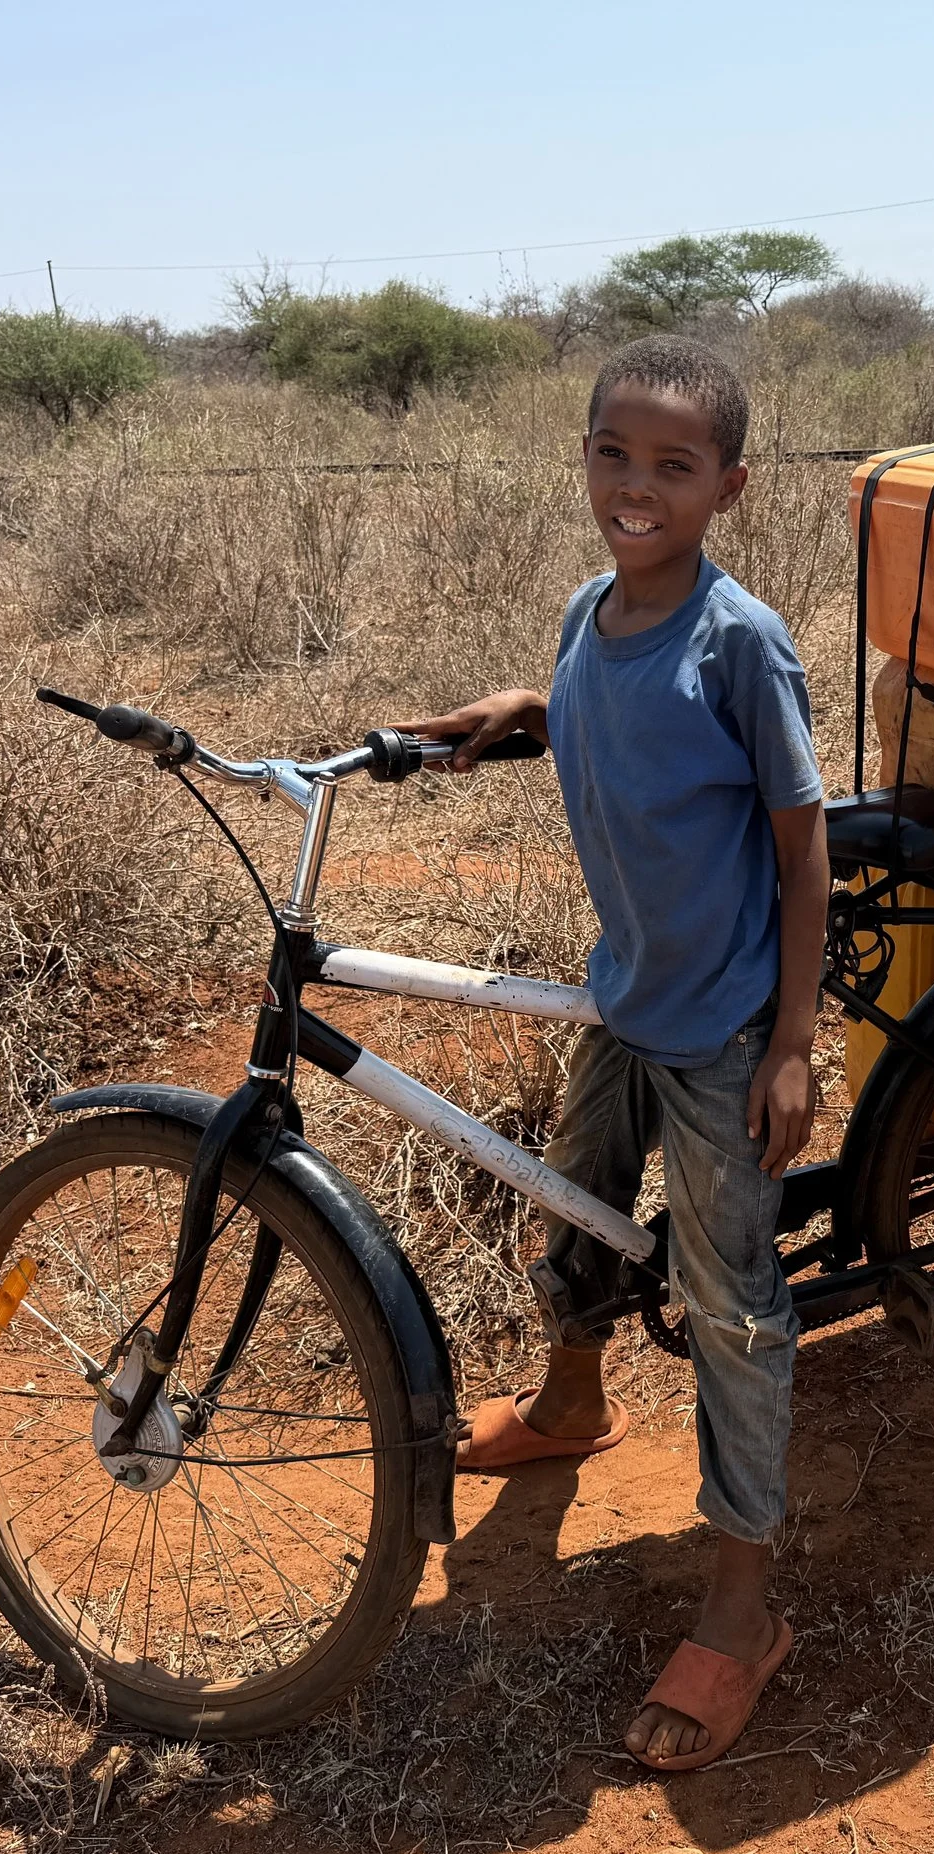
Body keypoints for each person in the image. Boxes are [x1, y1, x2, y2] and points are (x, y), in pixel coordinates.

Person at [394, 335, 829, 1774]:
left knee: (731, 1304)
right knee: (571, 1207)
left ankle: (740, 1605)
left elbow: (799, 841)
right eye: (613, 455)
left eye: (674, 466)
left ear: (730, 488)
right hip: (623, 1003)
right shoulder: (593, 607)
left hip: (717, 1032)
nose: (637, 487)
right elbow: (601, 707)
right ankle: (574, 1405)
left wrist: (794, 1043)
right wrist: (522, 712)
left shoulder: (740, 641)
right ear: (583, 457)